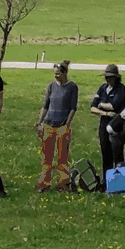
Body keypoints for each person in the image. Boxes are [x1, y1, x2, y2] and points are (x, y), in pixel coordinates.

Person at [37, 61, 78, 192]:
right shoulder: (51, 86)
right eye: (54, 74)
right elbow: (45, 105)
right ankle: (44, 183)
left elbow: (73, 108)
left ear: (65, 73)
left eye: (58, 74)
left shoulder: (72, 87)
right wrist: (39, 122)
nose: (56, 76)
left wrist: (67, 124)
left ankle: (63, 183)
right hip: (49, 124)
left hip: (62, 126)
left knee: (62, 157)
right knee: (46, 157)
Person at [89, 65, 125, 172]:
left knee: (117, 153)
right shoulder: (103, 88)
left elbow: (114, 106)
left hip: (117, 124)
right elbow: (93, 107)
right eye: (106, 77)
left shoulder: (120, 88)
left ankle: (120, 180)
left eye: (110, 77)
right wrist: (105, 113)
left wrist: (101, 105)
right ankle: (106, 181)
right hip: (104, 123)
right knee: (105, 153)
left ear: (116, 77)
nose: (107, 79)